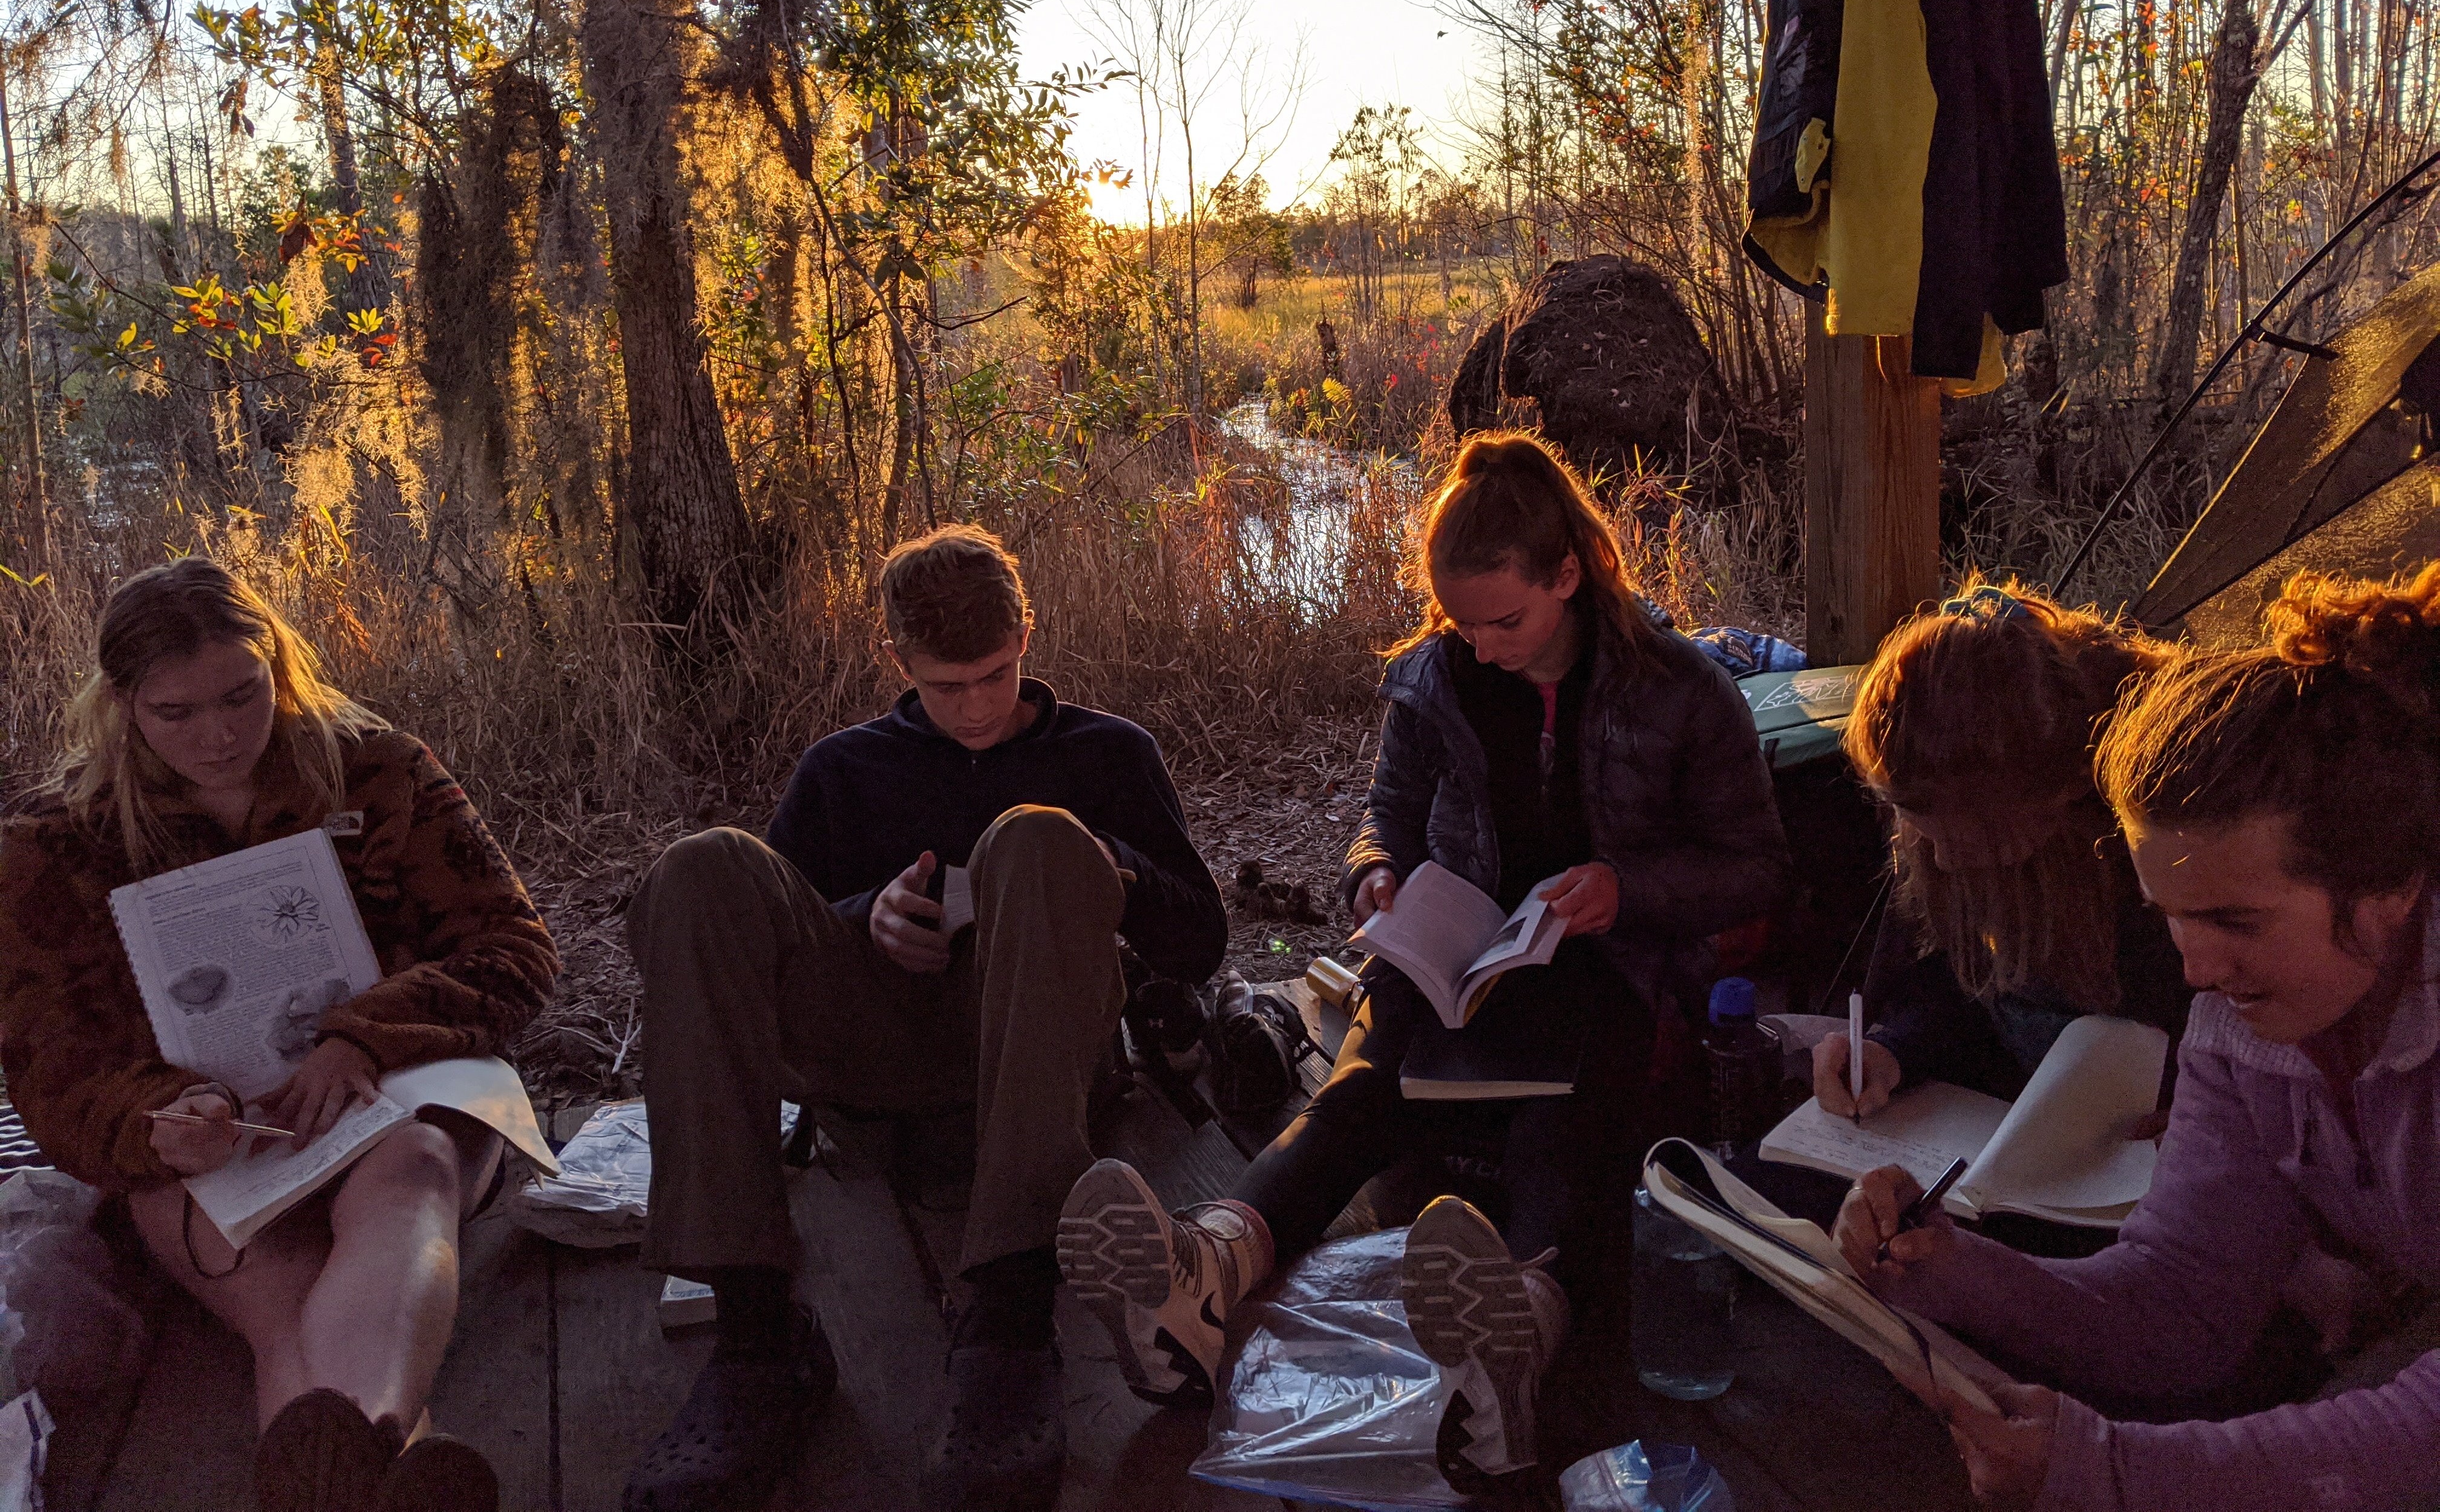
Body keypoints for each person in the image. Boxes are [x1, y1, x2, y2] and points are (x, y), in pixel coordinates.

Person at [1058, 431, 1792, 1487]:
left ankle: (1515, 1340)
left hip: (1614, 966)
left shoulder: (1676, 688)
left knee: (1561, 1118)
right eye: (1461, 621)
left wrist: (1625, 888)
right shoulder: (1437, 679)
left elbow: (1756, 866)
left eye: (1507, 620)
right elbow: (1387, 814)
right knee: (1362, 1082)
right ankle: (1203, 1270)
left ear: (1569, 575)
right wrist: (1375, 877)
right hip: (1454, 949)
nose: (1483, 645)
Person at [621, 524, 1225, 1512]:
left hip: (1045, 1058)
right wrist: (868, 920)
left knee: (1034, 835)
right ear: (897, 661)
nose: (978, 705)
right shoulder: (843, 769)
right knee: (700, 868)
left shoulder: (1110, 752)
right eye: (947, 684)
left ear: (1028, 633)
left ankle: (1009, 1311)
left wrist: (1096, 869)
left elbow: (1200, 940)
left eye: (996, 673)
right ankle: (756, 1332)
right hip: (878, 1051)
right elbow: (771, 947)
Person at [1836, 566, 2440, 1511]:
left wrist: (2115, 1472)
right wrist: (1956, 1271)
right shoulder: (2248, 1038)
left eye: (2236, 922)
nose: (2196, 972)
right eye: (2171, 919)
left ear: (2394, 893)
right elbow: (2183, 1297)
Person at [0, 558, 559, 1512]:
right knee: (285, 1291)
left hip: (398, 1102)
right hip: (206, 1151)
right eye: (176, 713)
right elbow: (52, 1065)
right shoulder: (52, 840)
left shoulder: (379, 769)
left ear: (282, 667)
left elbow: (514, 948)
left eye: (241, 695)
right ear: (121, 705)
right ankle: (372, 1464)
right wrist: (159, 1118)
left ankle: (334, 1475)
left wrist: (364, 1037)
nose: (218, 736)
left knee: (415, 1160)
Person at [1815, 582, 2188, 1127]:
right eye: (1925, 835)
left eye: (1975, 842)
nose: (1943, 862)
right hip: (1999, 1132)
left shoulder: (2165, 847)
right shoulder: (1940, 820)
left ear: (2070, 785)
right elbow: (1954, 989)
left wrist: (2196, 1117)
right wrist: (1892, 1050)